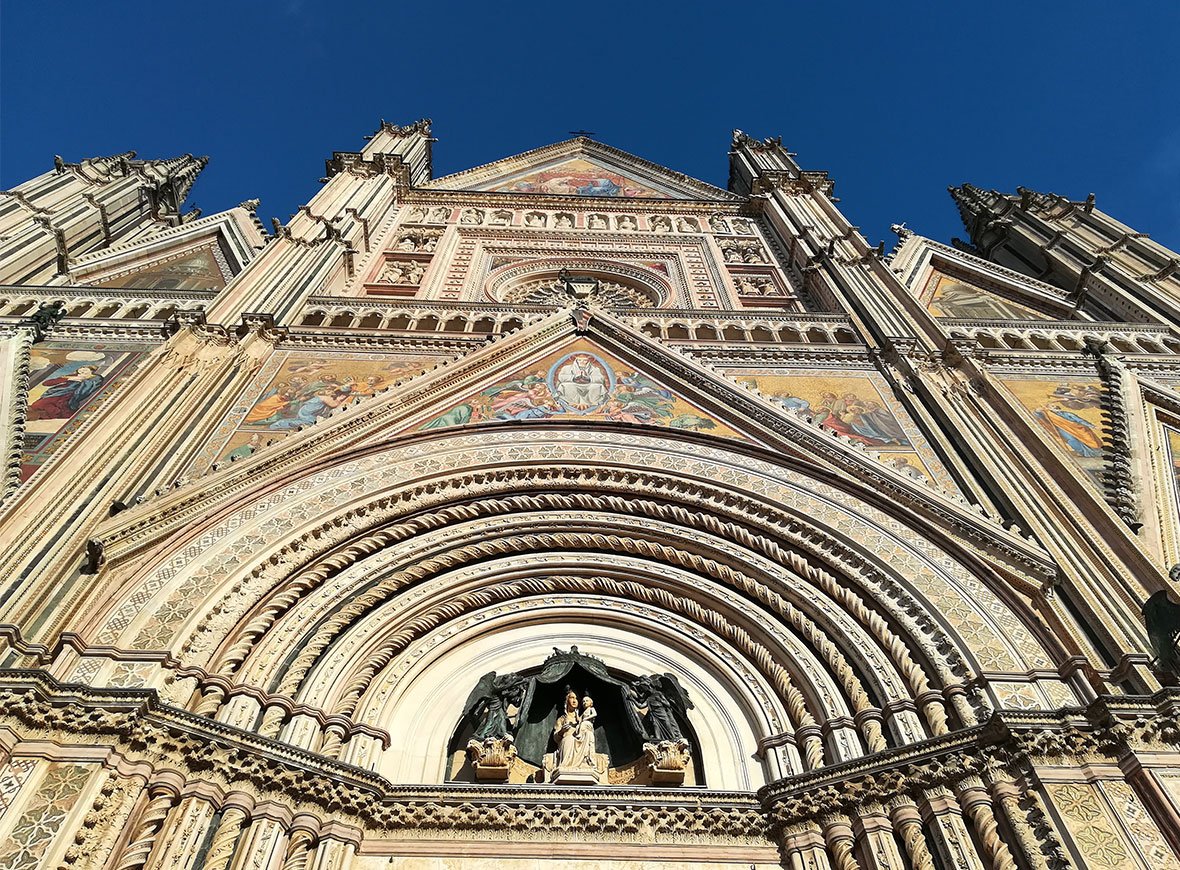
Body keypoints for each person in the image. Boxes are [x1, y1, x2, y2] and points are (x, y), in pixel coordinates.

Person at [27, 364, 105, 420]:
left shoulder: (96, 378)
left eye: (85, 370)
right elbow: (47, 383)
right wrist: (69, 379)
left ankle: (35, 415)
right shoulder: (72, 376)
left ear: (91, 371)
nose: (82, 372)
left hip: (68, 396)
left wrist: (83, 381)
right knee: (38, 405)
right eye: (80, 371)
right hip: (55, 393)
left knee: (42, 406)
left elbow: (87, 389)